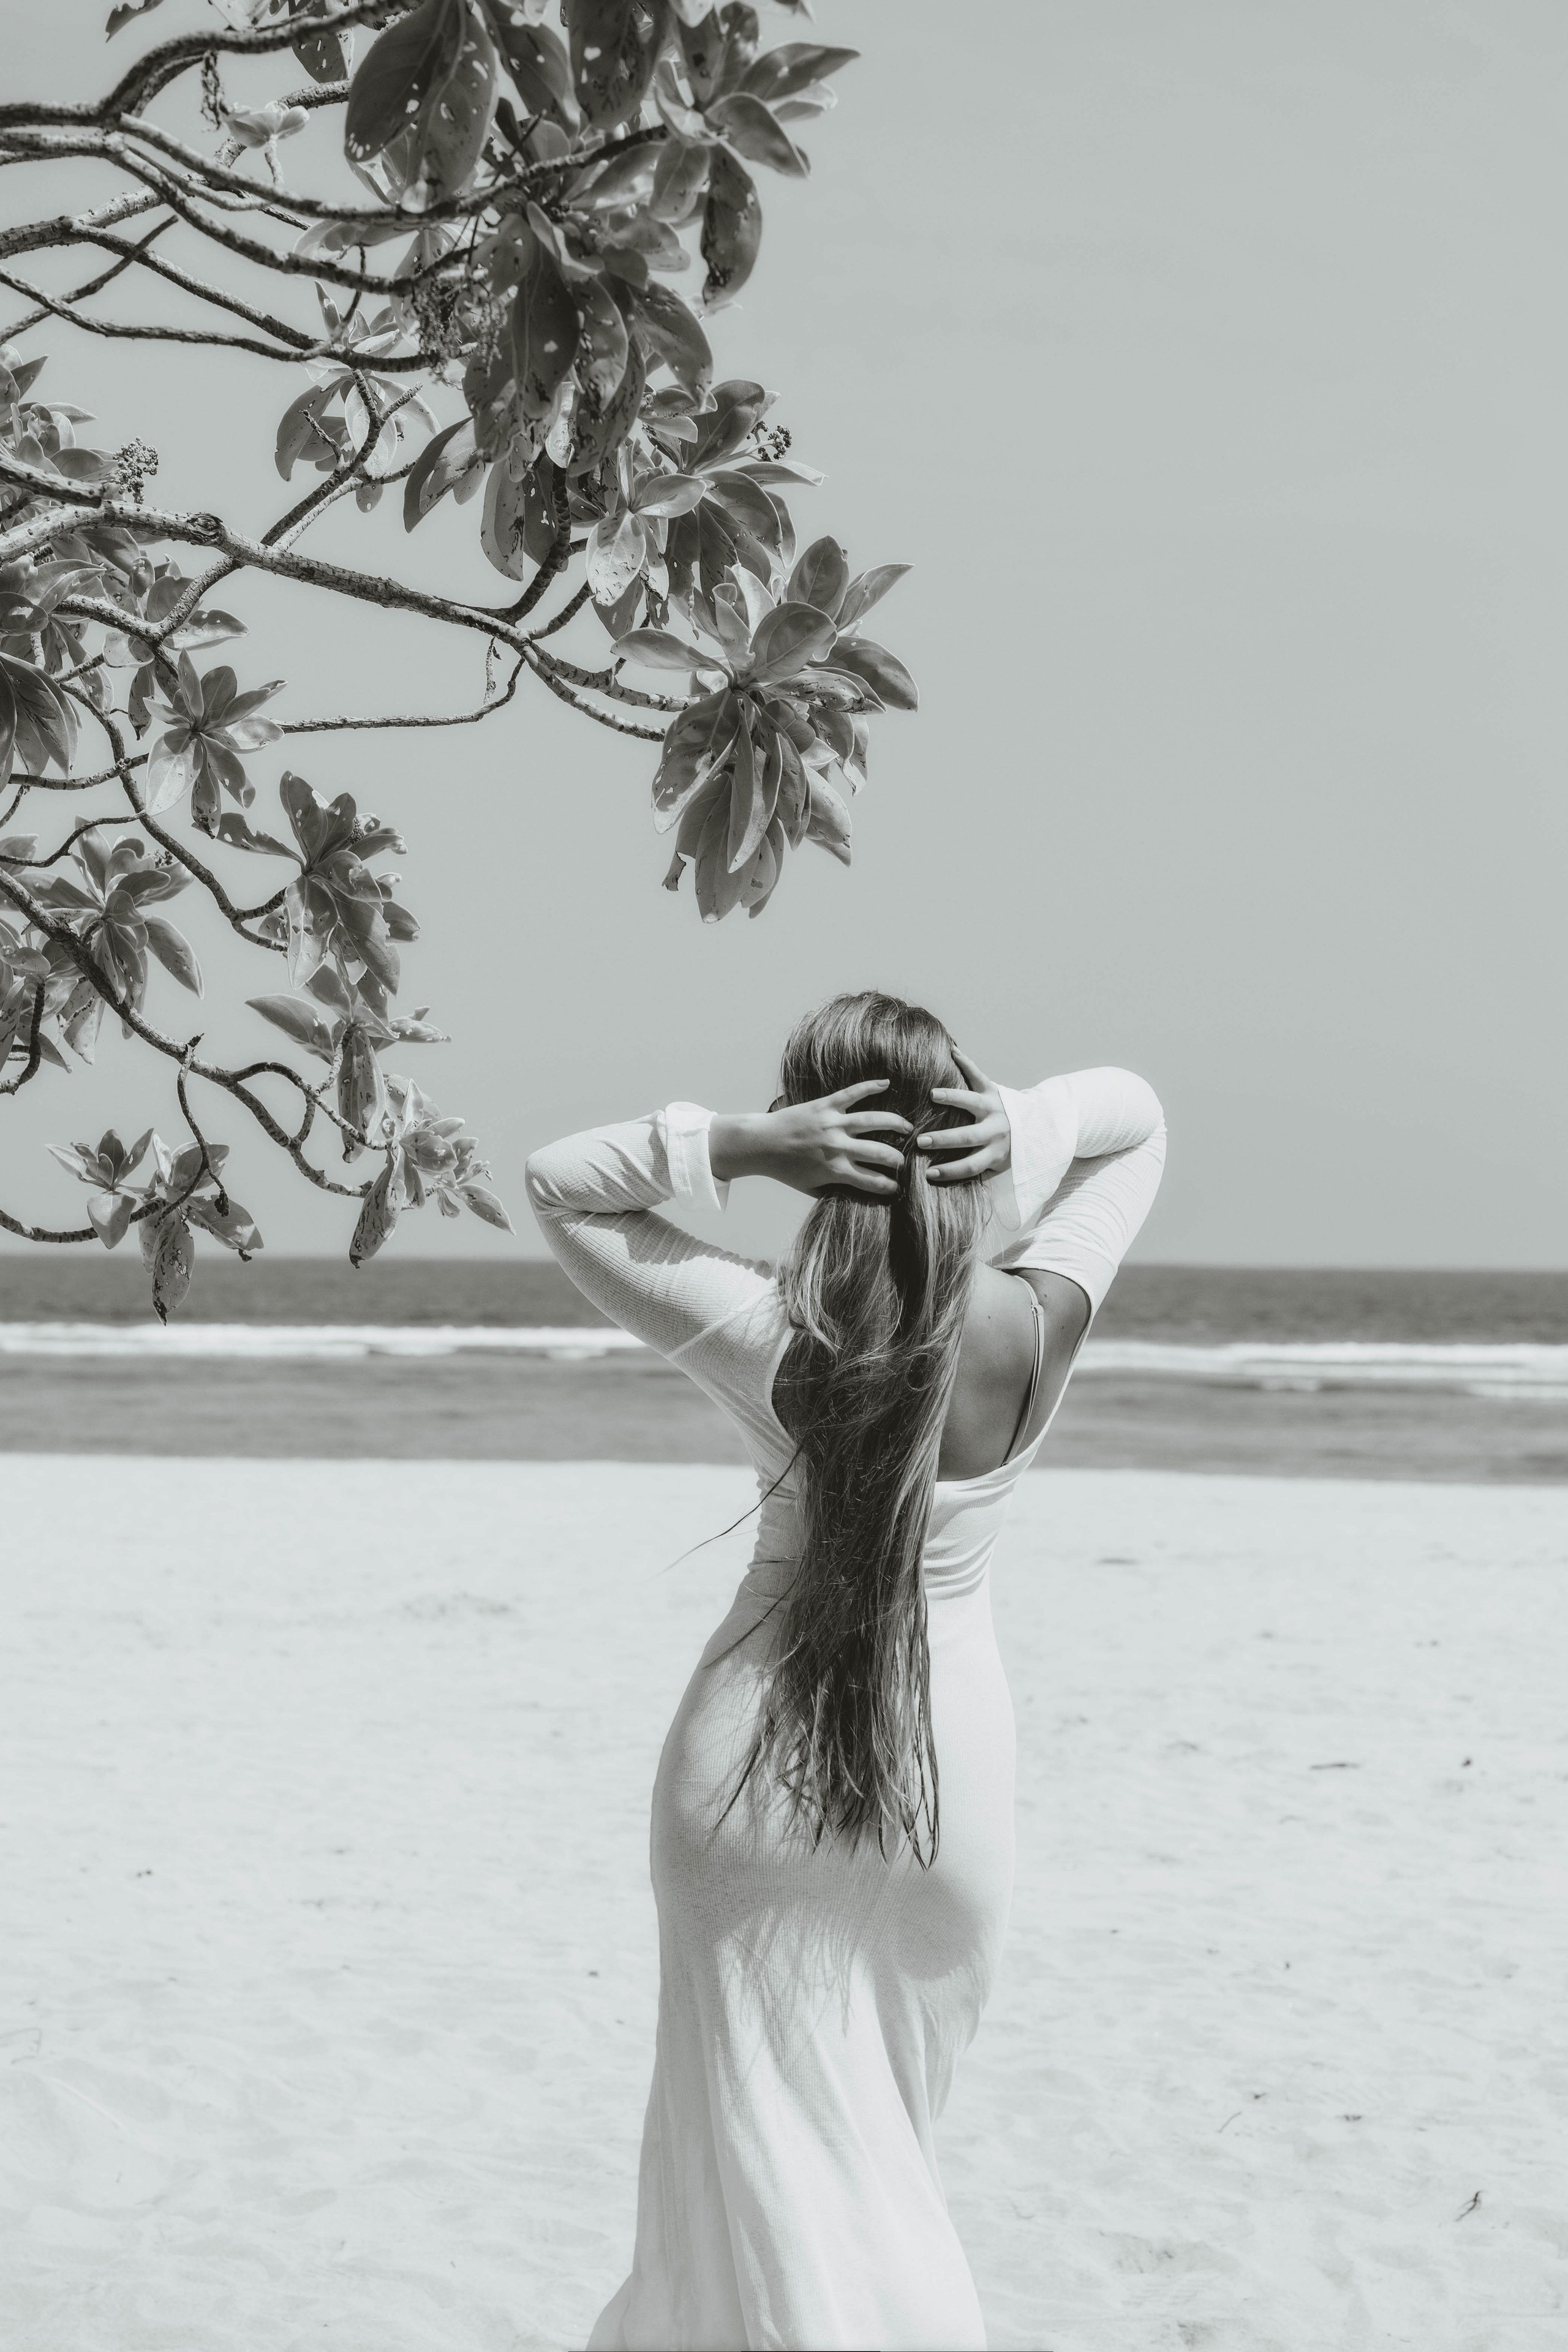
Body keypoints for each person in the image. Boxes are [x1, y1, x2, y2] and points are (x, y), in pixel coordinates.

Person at [525, 990, 1166, 2352]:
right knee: (883, 2181)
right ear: (966, 1136)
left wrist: (751, 1147)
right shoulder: (1032, 1329)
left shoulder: (767, 1332)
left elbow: (560, 1186)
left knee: (736, 2189)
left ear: (828, 1145)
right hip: (942, 1793)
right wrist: (1032, 1126)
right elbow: (1140, 1124)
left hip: (742, 1781)